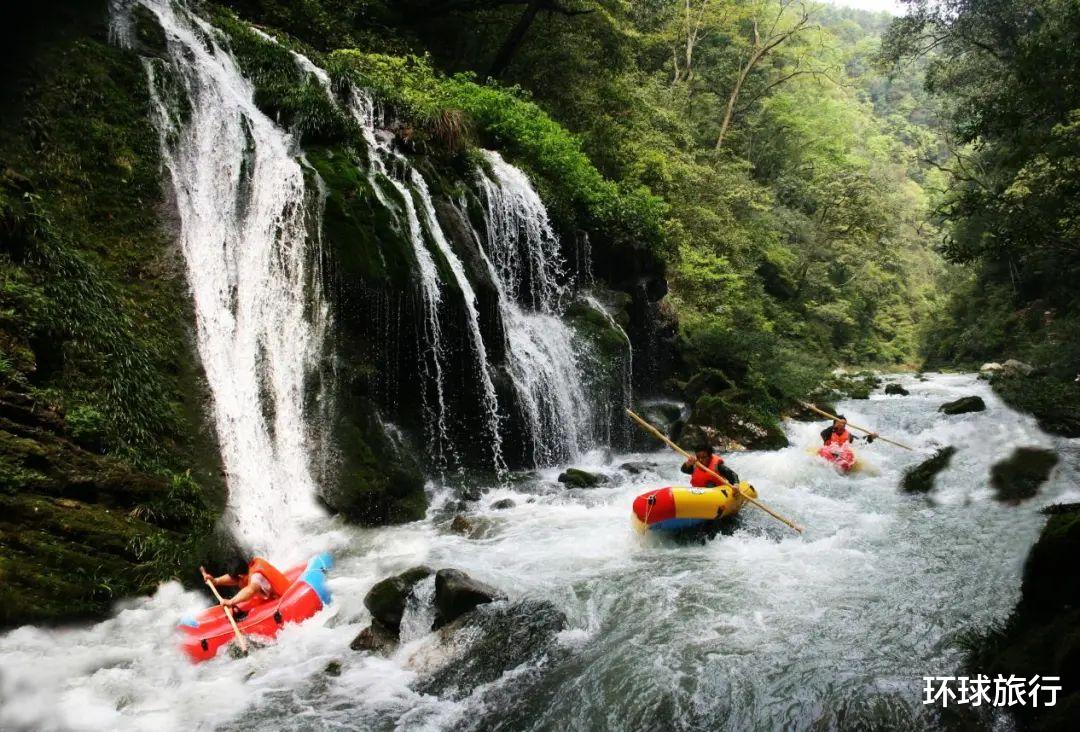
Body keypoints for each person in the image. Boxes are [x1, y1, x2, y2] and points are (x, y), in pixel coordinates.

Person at [200, 556, 291, 609]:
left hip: (287, 601)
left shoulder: (256, 577)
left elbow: (250, 590)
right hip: (280, 595)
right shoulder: (248, 568)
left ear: (240, 577)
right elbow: (233, 578)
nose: (236, 584)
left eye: (236, 581)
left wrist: (231, 602)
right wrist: (216, 581)